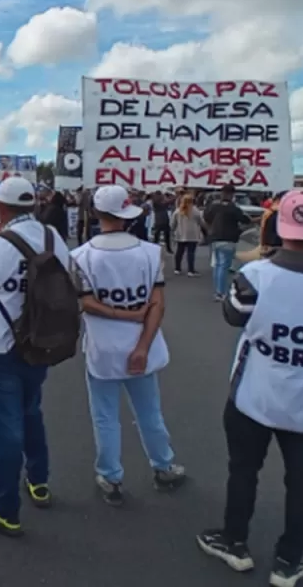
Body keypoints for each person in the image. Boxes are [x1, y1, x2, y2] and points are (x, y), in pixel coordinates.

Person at [197, 191, 303, 587]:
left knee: (243, 471)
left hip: (253, 396)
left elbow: (231, 316)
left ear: (279, 227)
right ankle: (289, 560)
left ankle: (234, 541)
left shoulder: (256, 277)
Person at [0, 176, 70, 537]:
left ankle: (5, 509)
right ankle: (39, 480)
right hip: (42, 340)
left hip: (0, 341)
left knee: (5, 426)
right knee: (30, 409)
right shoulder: (56, 240)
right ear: (34, 205)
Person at [72, 186, 186, 507]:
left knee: (105, 416)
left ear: (96, 213)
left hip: (102, 348)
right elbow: (157, 305)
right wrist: (142, 346)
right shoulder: (150, 253)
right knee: (150, 412)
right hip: (143, 345)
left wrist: (118, 313)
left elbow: (87, 304)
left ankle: (111, 476)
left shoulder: (80, 257)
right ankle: (163, 466)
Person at [203, 184, 251, 301]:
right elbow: (244, 219)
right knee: (224, 266)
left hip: (214, 238)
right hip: (228, 239)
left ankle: (218, 291)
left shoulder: (214, 206)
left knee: (218, 265)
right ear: (232, 194)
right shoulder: (233, 208)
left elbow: (206, 217)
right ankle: (221, 292)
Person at [170, 194, 203, 276]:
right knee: (191, 253)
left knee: (179, 252)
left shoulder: (178, 211)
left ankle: (177, 269)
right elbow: (201, 222)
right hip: (193, 235)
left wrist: (173, 231)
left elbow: (172, 223)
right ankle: (190, 270)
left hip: (181, 234)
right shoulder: (195, 210)